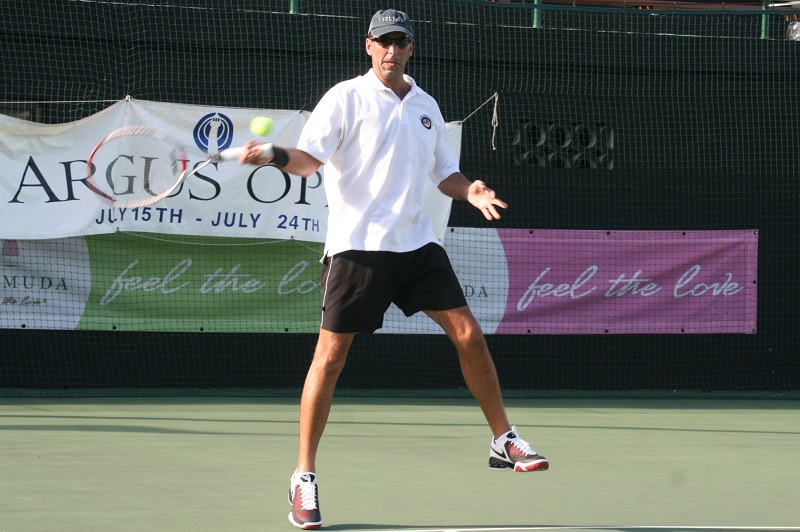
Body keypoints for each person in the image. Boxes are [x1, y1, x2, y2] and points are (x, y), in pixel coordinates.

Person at [239, 9, 549, 530]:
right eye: (383, 41)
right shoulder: (344, 98)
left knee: (469, 335)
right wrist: (273, 154)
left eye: (400, 41)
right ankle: (303, 477)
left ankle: (503, 439)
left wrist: (469, 190)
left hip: (416, 245)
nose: (391, 50)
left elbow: (444, 173)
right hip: (357, 248)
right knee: (330, 359)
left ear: (410, 48)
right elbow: (309, 160)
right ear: (368, 46)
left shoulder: (426, 106)